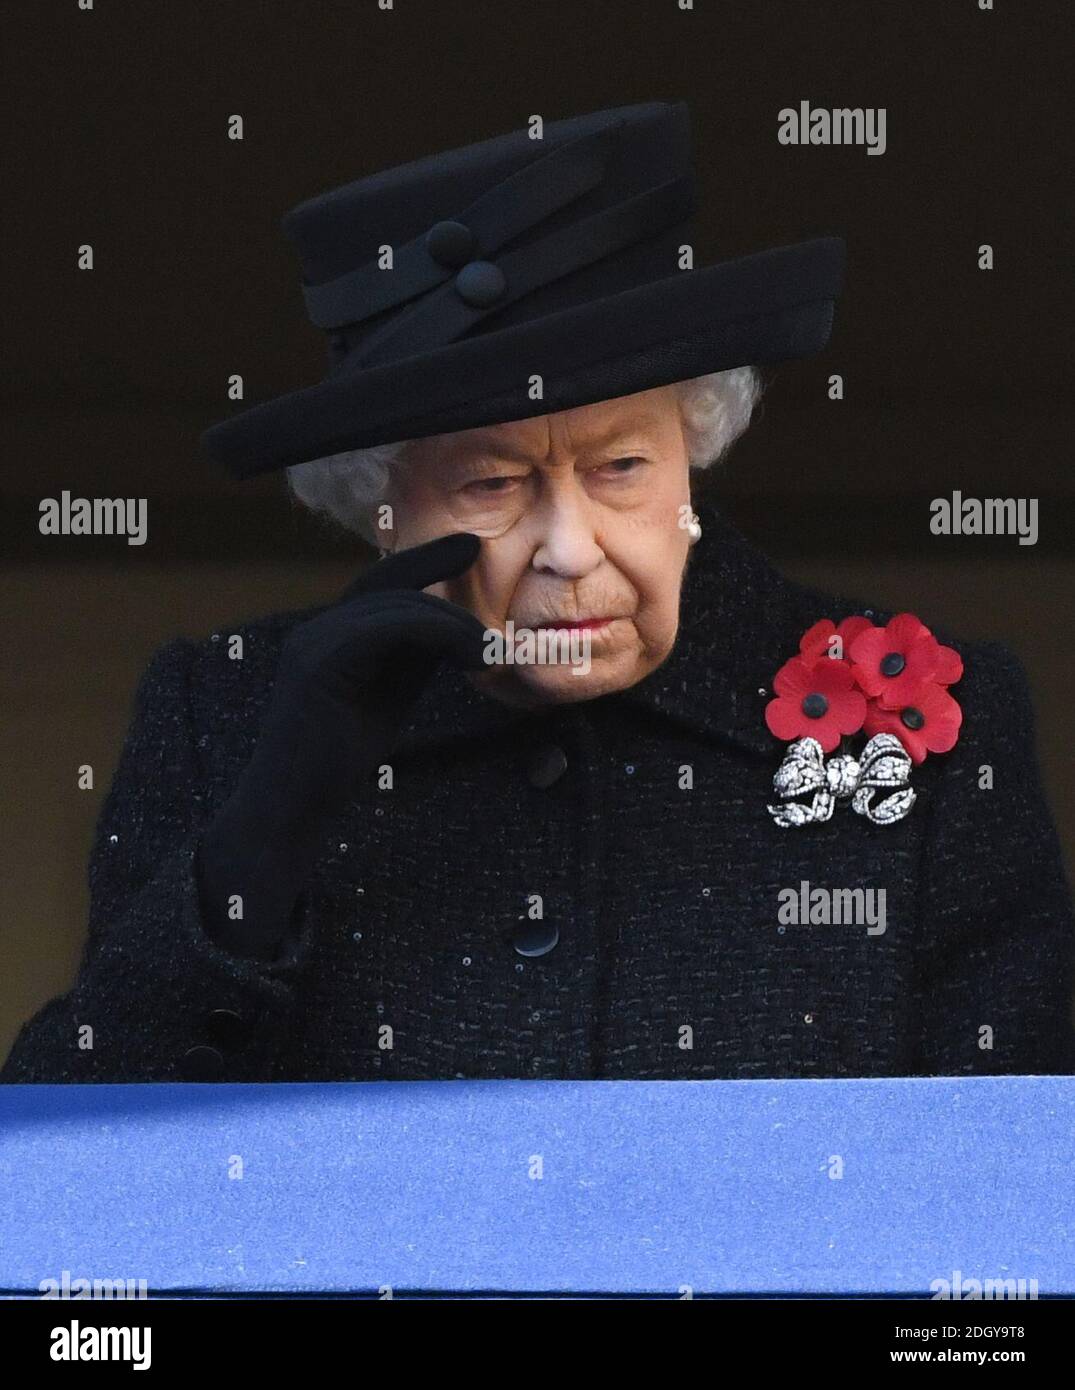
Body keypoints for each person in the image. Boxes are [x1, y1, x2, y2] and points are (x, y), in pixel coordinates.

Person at [4, 102, 1072, 1084]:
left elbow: (1020, 1190)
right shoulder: (221, 716)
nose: (571, 550)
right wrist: (257, 852)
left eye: (620, 468)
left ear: (691, 453)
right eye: (492, 482)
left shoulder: (937, 724)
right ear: (381, 504)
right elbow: (67, 1166)